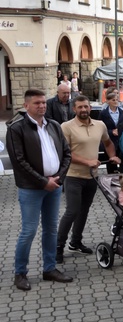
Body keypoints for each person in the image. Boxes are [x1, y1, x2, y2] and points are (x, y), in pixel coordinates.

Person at [8, 89, 73, 290]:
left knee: (51, 229)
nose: (42, 106)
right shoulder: (16, 128)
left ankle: (49, 269)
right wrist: (43, 182)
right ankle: (20, 273)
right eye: (37, 103)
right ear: (26, 105)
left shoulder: (53, 125)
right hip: (31, 188)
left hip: (54, 186)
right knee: (29, 230)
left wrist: (58, 178)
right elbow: (19, 161)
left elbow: (67, 154)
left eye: (44, 102)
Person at [57, 96, 121, 263]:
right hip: (73, 176)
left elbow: (108, 142)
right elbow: (66, 153)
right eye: (80, 107)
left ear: (90, 108)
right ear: (74, 109)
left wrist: (112, 156)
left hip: (92, 177)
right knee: (72, 211)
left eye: (86, 106)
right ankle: (57, 248)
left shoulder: (99, 125)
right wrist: (87, 162)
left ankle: (75, 242)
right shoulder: (66, 127)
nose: (84, 110)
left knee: (84, 211)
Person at [99, 89, 123, 173]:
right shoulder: (103, 113)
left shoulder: (122, 113)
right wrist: (111, 132)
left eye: (116, 100)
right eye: (113, 100)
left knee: (122, 160)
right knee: (111, 162)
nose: (115, 102)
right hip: (109, 140)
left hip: (120, 141)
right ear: (108, 101)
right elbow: (100, 127)